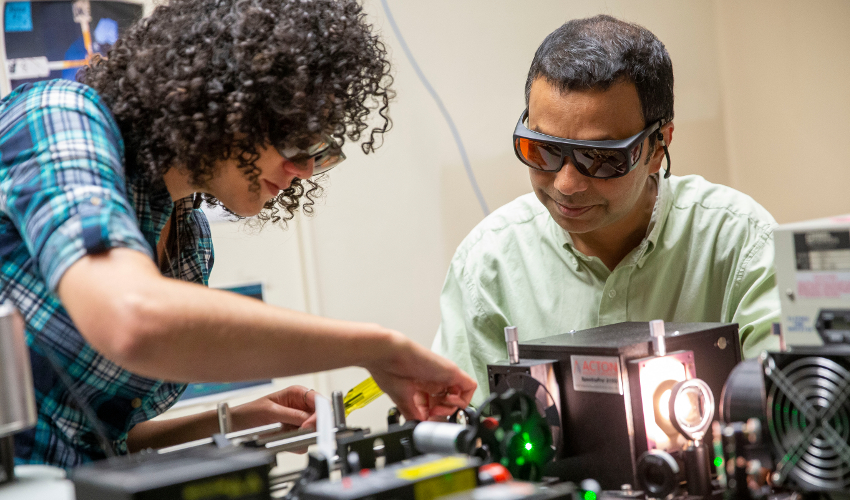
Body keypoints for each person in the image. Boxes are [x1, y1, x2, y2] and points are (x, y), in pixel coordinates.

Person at [0, 0, 475, 468]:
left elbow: (97, 434)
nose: (305, 169)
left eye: (319, 149)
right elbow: (134, 321)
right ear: (223, 99)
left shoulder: (189, 238)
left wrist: (236, 420)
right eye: (294, 136)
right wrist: (375, 347)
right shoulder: (57, 117)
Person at [432, 15, 780, 405]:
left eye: (599, 158)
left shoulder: (740, 245)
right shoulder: (488, 265)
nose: (566, 184)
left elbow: (791, 410)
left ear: (658, 147)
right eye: (542, 150)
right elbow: (465, 432)